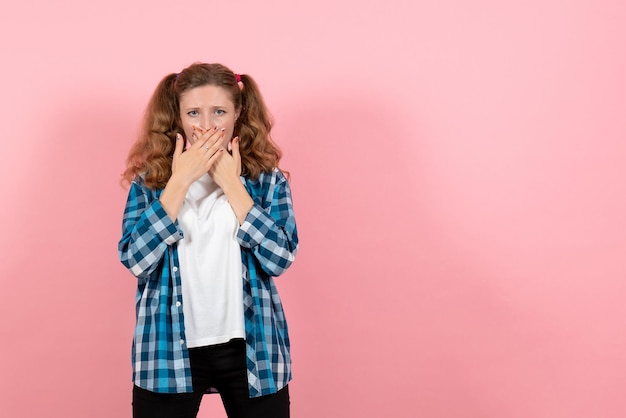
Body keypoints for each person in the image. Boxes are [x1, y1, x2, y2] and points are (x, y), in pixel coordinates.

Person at [118, 62, 298, 418]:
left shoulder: (266, 181)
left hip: (252, 348)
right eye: (193, 113)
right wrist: (180, 180)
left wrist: (231, 184)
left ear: (237, 113)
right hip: (168, 350)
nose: (206, 124)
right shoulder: (151, 183)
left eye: (219, 111)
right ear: (178, 117)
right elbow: (135, 259)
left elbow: (280, 258)